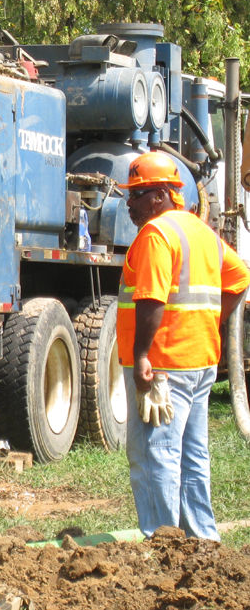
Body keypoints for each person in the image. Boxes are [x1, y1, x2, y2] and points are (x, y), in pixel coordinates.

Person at [116, 151, 249, 539]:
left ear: (159, 196)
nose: (130, 204)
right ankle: (201, 540)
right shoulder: (200, 231)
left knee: (154, 454)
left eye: (137, 194)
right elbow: (239, 278)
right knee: (192, 455)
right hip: (200, 360)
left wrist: (141, 355)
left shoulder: (157, 235)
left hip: (163, 365)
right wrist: (211, 320)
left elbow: (153, 299)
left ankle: (164, 543)